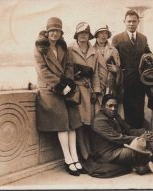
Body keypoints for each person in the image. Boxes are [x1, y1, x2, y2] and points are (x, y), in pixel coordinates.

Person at [34, 17, 84, 176]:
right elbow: (43, 71)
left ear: (61, 32)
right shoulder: (40, 48)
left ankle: (75, 157)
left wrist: (68, 82)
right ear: (47, 32)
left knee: (73, 122)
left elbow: (69, 65)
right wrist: (60, 85)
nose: (54, 34)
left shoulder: (63, 47)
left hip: (65, 88)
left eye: (57, 31)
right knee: (62, 123)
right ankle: (68, 159)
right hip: (50, 89)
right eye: (52, 31)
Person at [89, 94, 153, 175]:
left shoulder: (115, 115)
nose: (113, 109)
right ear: (102, 106)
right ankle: (151, 163)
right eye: (110, 106)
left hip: (118, 147)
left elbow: (129, 130)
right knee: (138, 153)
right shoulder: (99, 121)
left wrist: (143, 132)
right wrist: (140, 137)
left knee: (146, 141)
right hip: (108, 153)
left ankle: (145, 165)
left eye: (115, 106)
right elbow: (118, 138)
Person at [112, 10, 151, 129]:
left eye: (134, 21)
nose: (131, 24)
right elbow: (113, 58)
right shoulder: (117, 39)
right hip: (125, 80)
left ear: (138, 22)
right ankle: (130, 137)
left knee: (140, 108)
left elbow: (148, 54)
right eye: (129, 21)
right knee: (127, 109)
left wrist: (150, 58)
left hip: (140, 81)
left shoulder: (143, 38)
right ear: (124, 22)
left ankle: (140, 135)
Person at [68, 22, 101, 161]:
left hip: (90, 92)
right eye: (81, 33)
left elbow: (96, 74)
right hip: (76, 92)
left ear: (89, 35)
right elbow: (66, 71)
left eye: (86, 33)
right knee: (79, 123)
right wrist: (76, 75)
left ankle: (90, 152)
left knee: (91, 123)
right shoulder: (70, 49)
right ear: (76, 35)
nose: (83, 35)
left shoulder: (94, 52)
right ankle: (84, 154)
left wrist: (96, 91)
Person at [93, 25, 124, 116]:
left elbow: (119, 67)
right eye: (101, 33)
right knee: (98, 111)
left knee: (111, 108)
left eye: (106, 33)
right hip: (97, 85)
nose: (103, 36)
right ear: (96, 35)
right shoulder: (91, 49)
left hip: (111, 85)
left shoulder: (113, 50)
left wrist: (117, 69)